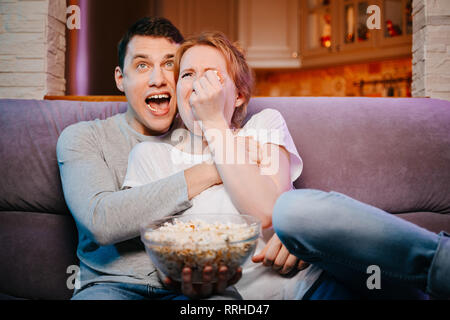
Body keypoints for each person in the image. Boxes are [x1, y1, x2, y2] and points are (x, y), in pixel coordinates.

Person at [122, 31, 324, 300]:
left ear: (239, 95)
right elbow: (161, 255)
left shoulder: (264, 126)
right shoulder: (149, 156)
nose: (198, 84)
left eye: (211, 76)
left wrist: (215, 122)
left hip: (307, 287)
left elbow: (267, 212)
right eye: (187, 74)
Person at [57, 17, 242, 300]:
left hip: (192, 290)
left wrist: (285, 236)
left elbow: (260, 192)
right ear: (121, 78)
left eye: (170, 64)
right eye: (142, 65)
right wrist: (214, 169)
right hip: (110, 286)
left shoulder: (208, 130)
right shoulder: (84, 138)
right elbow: (102, 221)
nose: (158, 79)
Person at [271, 190, 450, 299]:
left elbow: (267, 211)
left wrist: (241, 150)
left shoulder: (260, 132)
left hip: (335, 282)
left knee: (292, 210)